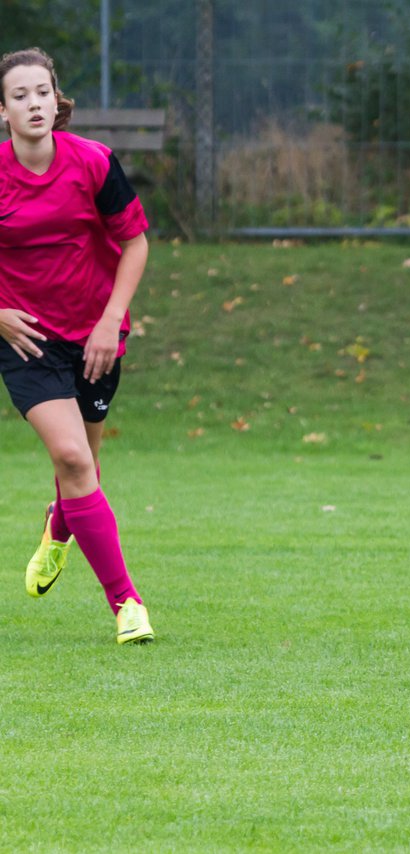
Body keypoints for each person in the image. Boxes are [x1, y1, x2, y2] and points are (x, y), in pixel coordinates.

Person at [0, 47, 154, 644]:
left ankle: (57, 526)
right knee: (72, 459)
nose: (34, 103)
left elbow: (135, 243)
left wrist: (109, 322)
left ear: (54, 98)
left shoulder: (93, 162)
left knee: (85, 464)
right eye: (20, 96)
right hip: (26, 341)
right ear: (4, 110)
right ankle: (127, 604)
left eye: (42, 92)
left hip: (95, 334)